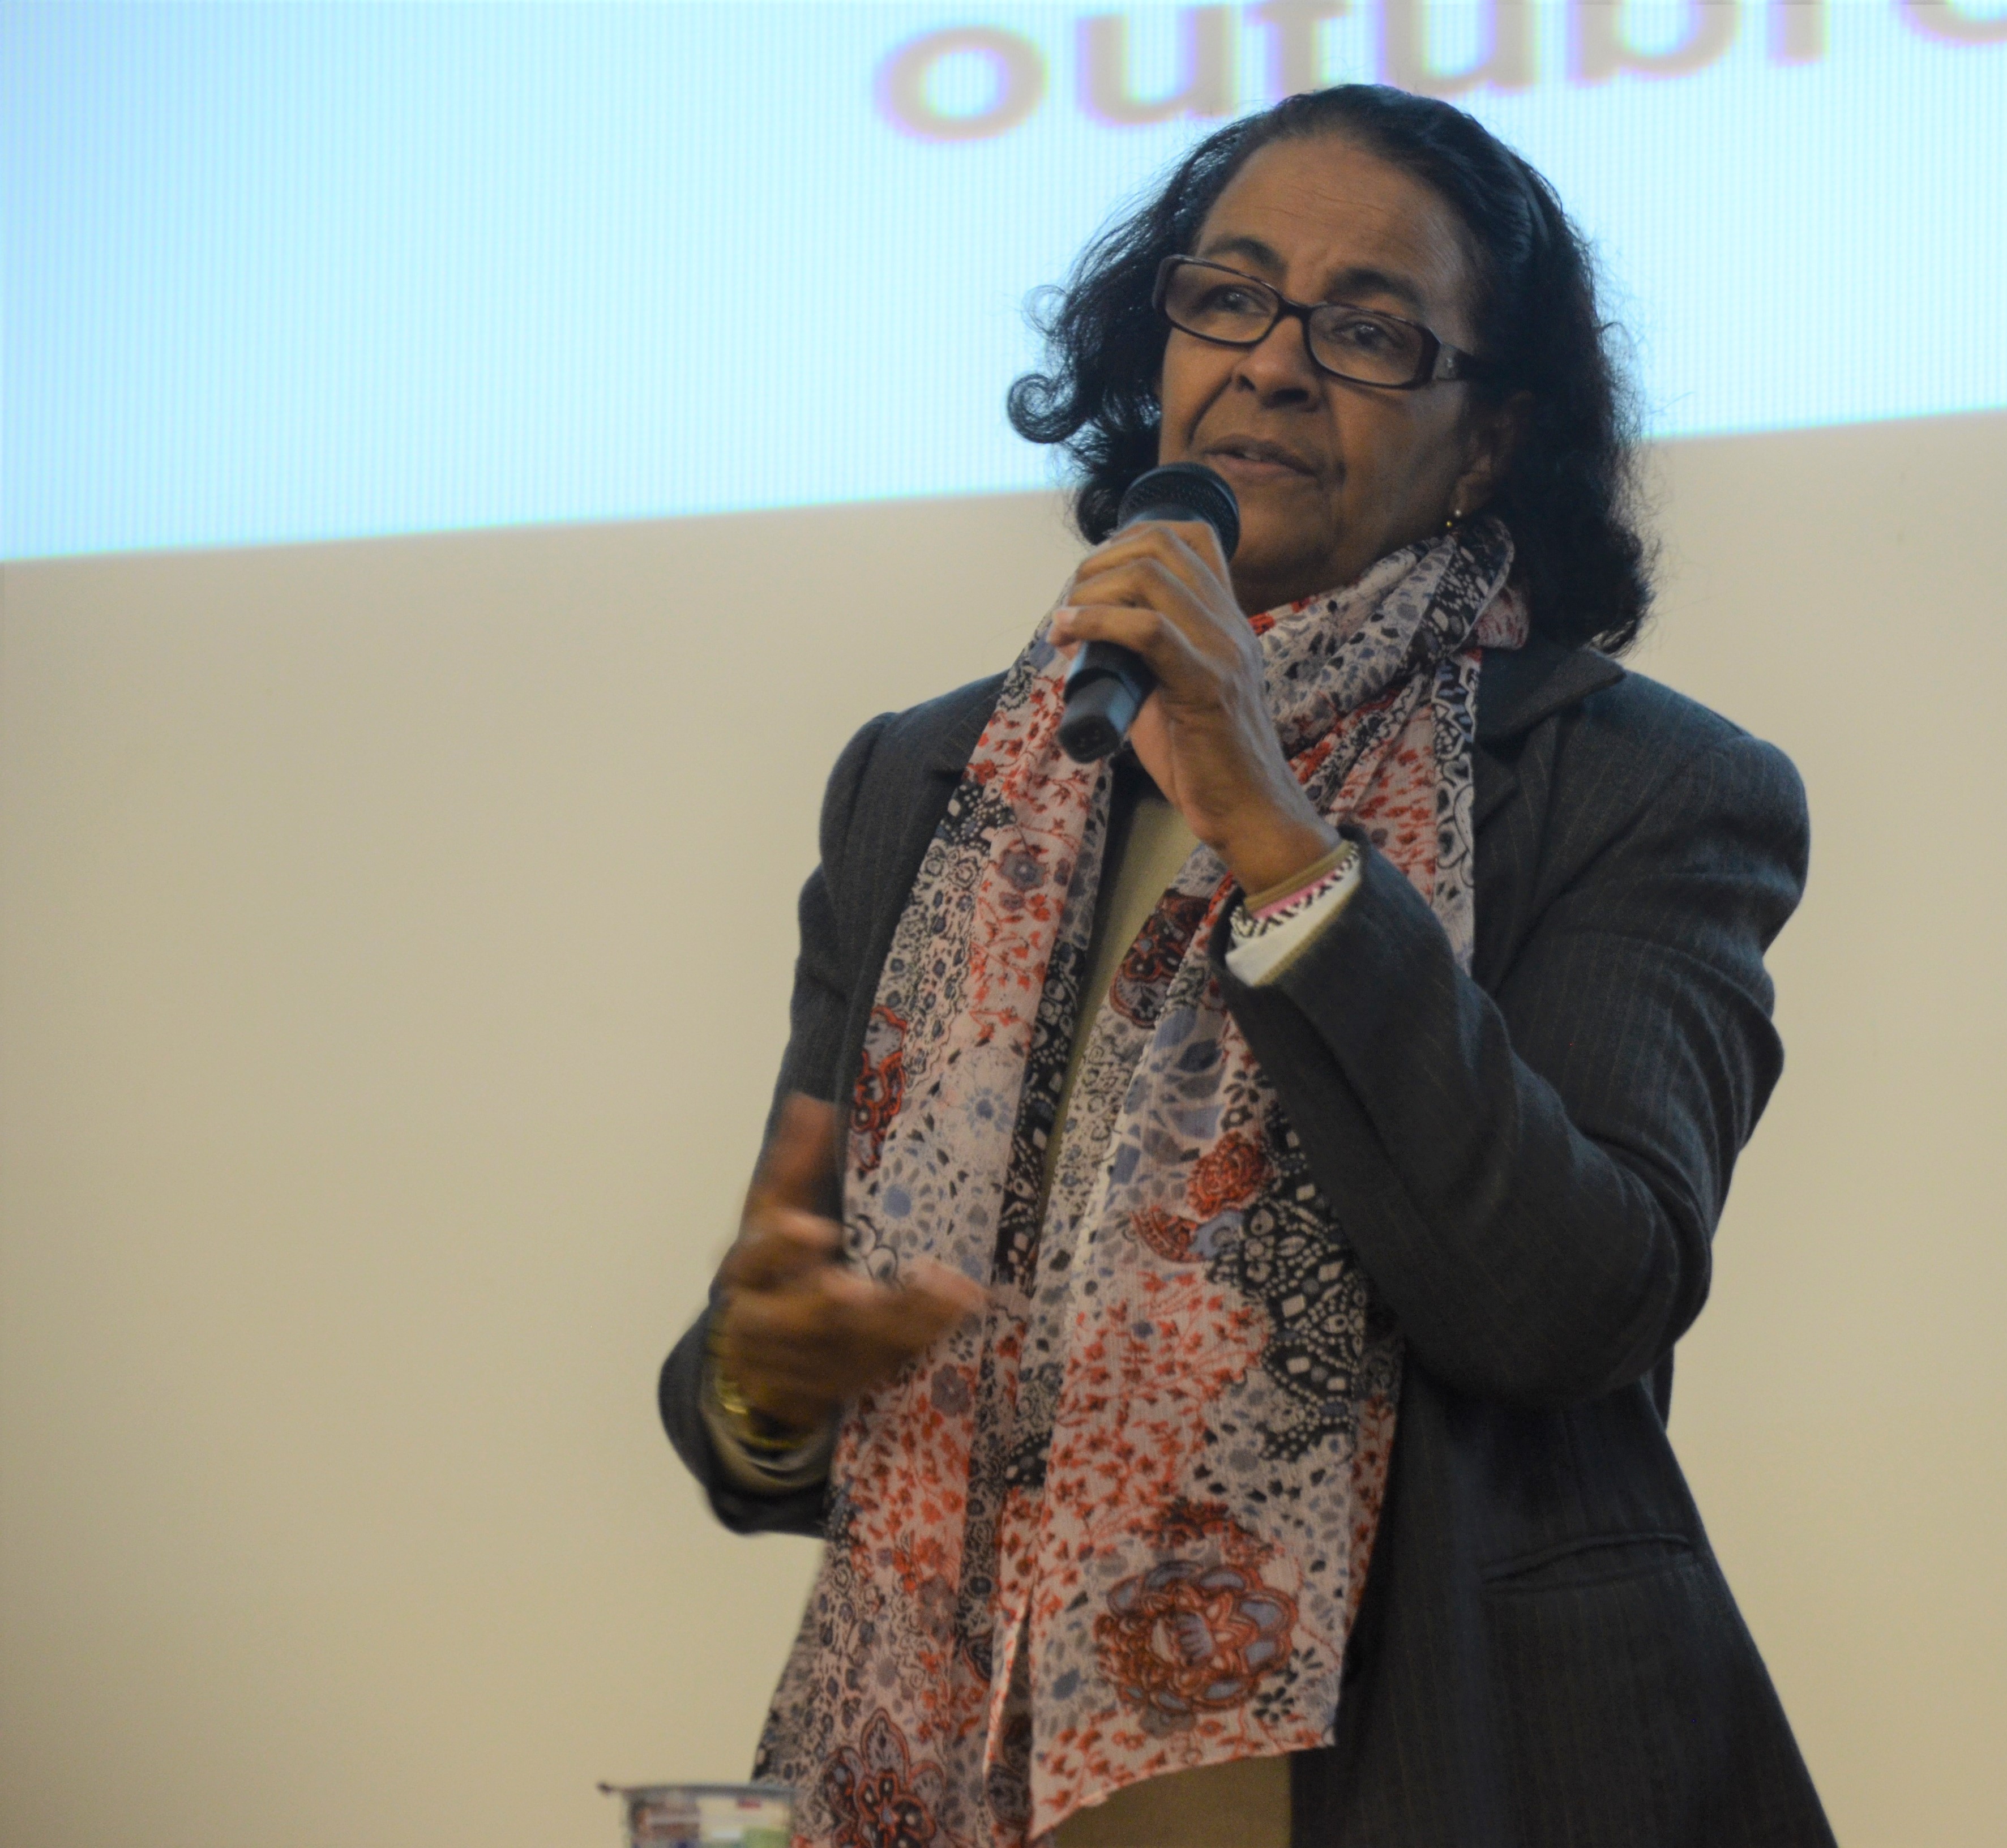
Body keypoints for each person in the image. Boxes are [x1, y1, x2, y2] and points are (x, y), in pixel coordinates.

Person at [658, 84, 1834, 1848]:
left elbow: (1574, 1301)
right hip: (965, 1783)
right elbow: (772, 1363)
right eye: (1228, 298)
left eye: (1368, 330)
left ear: (1490, 441)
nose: (1273, 365)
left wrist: (1274, 829)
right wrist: (767, 1376)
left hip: (1430, 1775)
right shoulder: (932, 783)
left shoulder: (1642, 788)